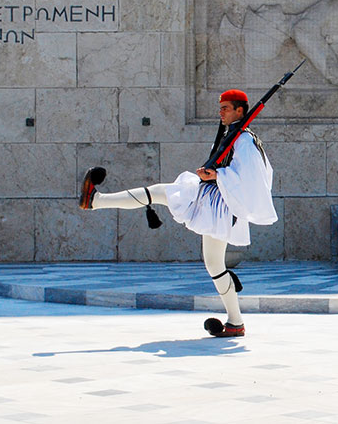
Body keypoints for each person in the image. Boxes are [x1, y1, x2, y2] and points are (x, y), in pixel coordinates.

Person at [78, 89, 277, 338]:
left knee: (165, 197)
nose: (221, 112)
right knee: (211, 261)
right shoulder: (234, 134)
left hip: (222, 205)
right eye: (221, 107)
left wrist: (218, 175)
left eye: (226, 108)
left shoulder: (245, 140)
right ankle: (235, 323)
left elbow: (254, 178)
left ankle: (95, 200)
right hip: (216, 198)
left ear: (240, 110)